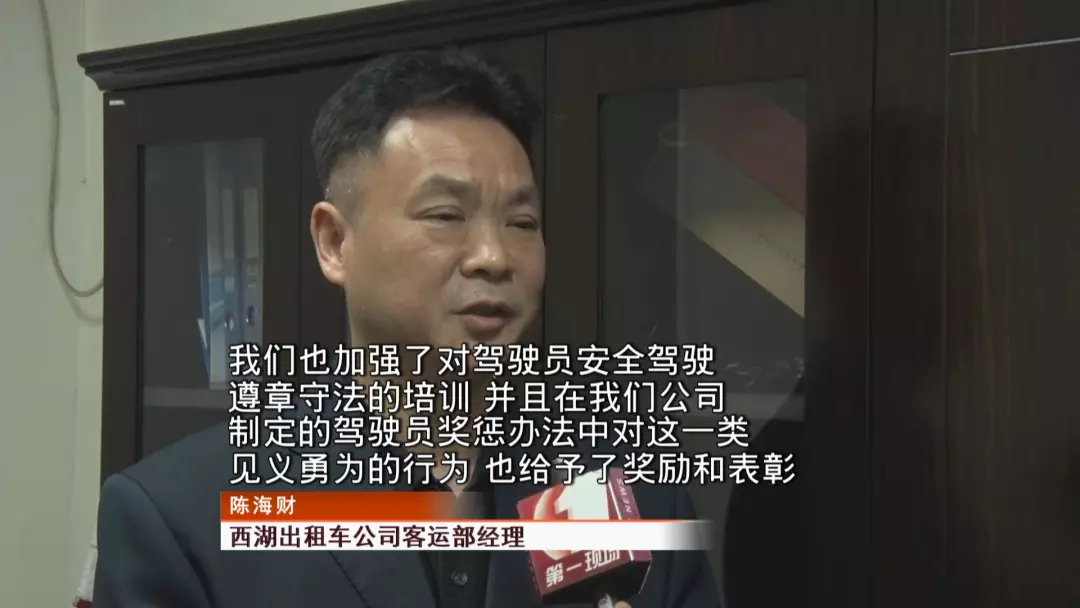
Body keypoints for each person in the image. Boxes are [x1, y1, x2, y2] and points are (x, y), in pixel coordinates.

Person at [94, 47, 719, 608]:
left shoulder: (631, 492)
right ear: (334, 242)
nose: (494, 257)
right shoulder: (183, 516)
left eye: (522, 223)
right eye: (446, 215)